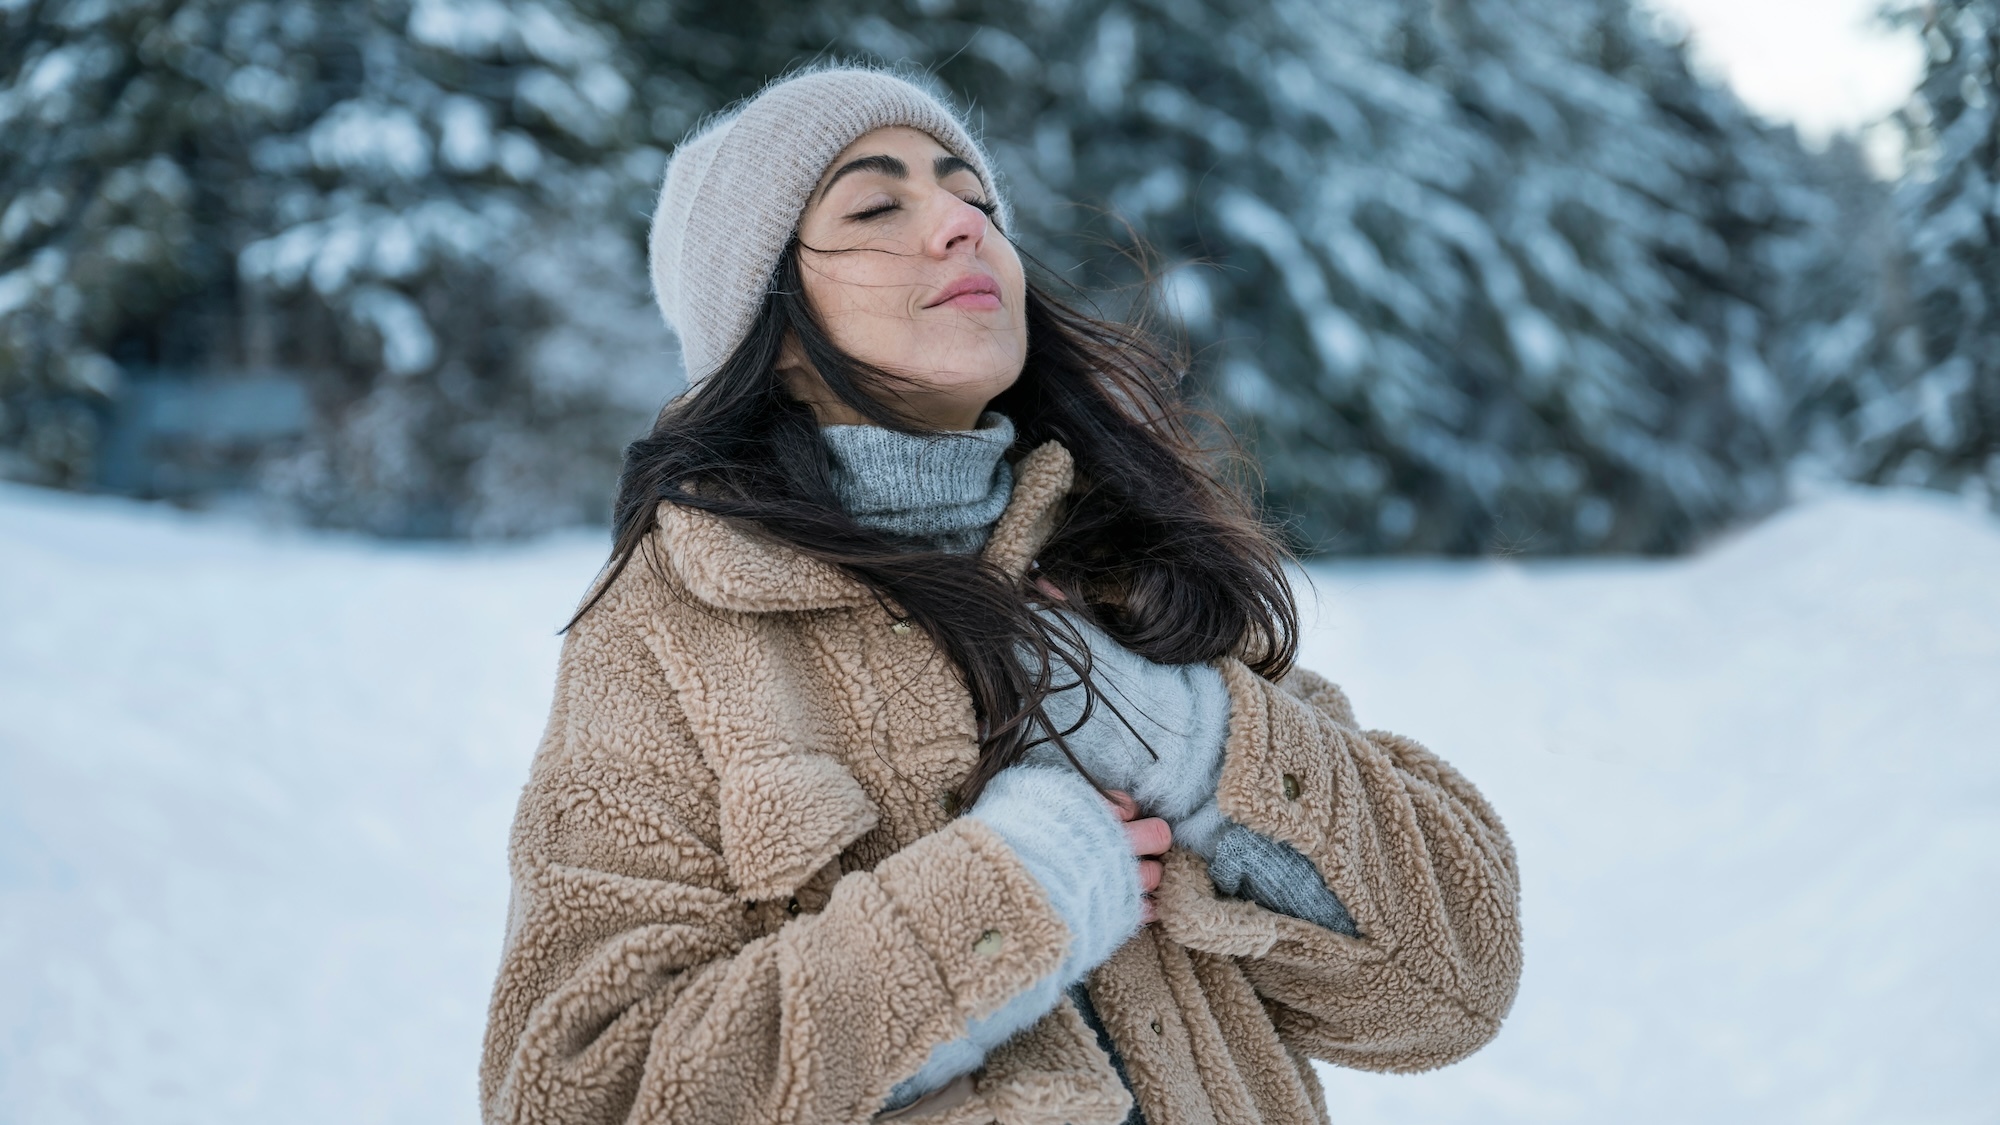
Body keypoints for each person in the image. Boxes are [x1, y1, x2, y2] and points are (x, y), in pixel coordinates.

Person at [478, 64, 1521, 1125]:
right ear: (767, 322)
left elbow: (1452, 990)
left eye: (975, 200)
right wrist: (1016, 891)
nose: (959, 227)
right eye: (878, 205)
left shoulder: (1125, 563)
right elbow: (582, 1093)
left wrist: (1190, 747)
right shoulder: (673, 630)